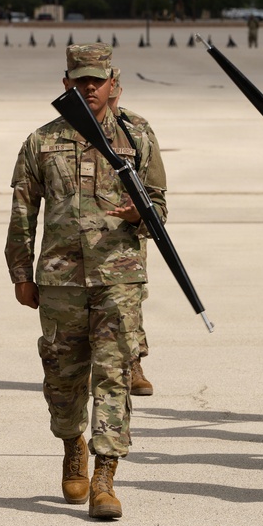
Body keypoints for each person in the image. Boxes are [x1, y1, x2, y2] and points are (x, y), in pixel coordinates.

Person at [6, 44, 167, 520]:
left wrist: (142, 213)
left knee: (114, 374)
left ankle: (105, 476)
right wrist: (20, 273)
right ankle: (71, 442)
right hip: (59, 280)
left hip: (119, 277)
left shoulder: (136, 135)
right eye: (80, 80)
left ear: (113, 81)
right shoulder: (40, 141)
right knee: (63, 378)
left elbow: (159, 201)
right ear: (66, 83)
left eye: (97, 80)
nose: (89, 87)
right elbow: (21, 214)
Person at [107, 68, 155, 396]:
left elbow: (154, 188)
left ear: (119, 91)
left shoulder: (135, 129)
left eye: (113, 93)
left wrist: (143, 217)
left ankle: (133, 362)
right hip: (77, 234)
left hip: (126, 235)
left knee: (130, 301)